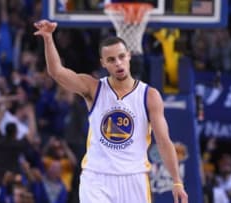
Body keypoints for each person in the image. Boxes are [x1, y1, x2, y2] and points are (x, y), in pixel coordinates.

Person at [33, 20, 188, 203]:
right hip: (96, 177)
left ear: (129, 56)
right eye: (111, 60)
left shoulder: (149, 96)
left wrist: (177, 182)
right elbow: (57, 72)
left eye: (121, 57)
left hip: (134, 177)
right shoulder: (93, 88)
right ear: (103, 63)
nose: (118, 63)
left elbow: (164, 142)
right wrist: (49, 38)